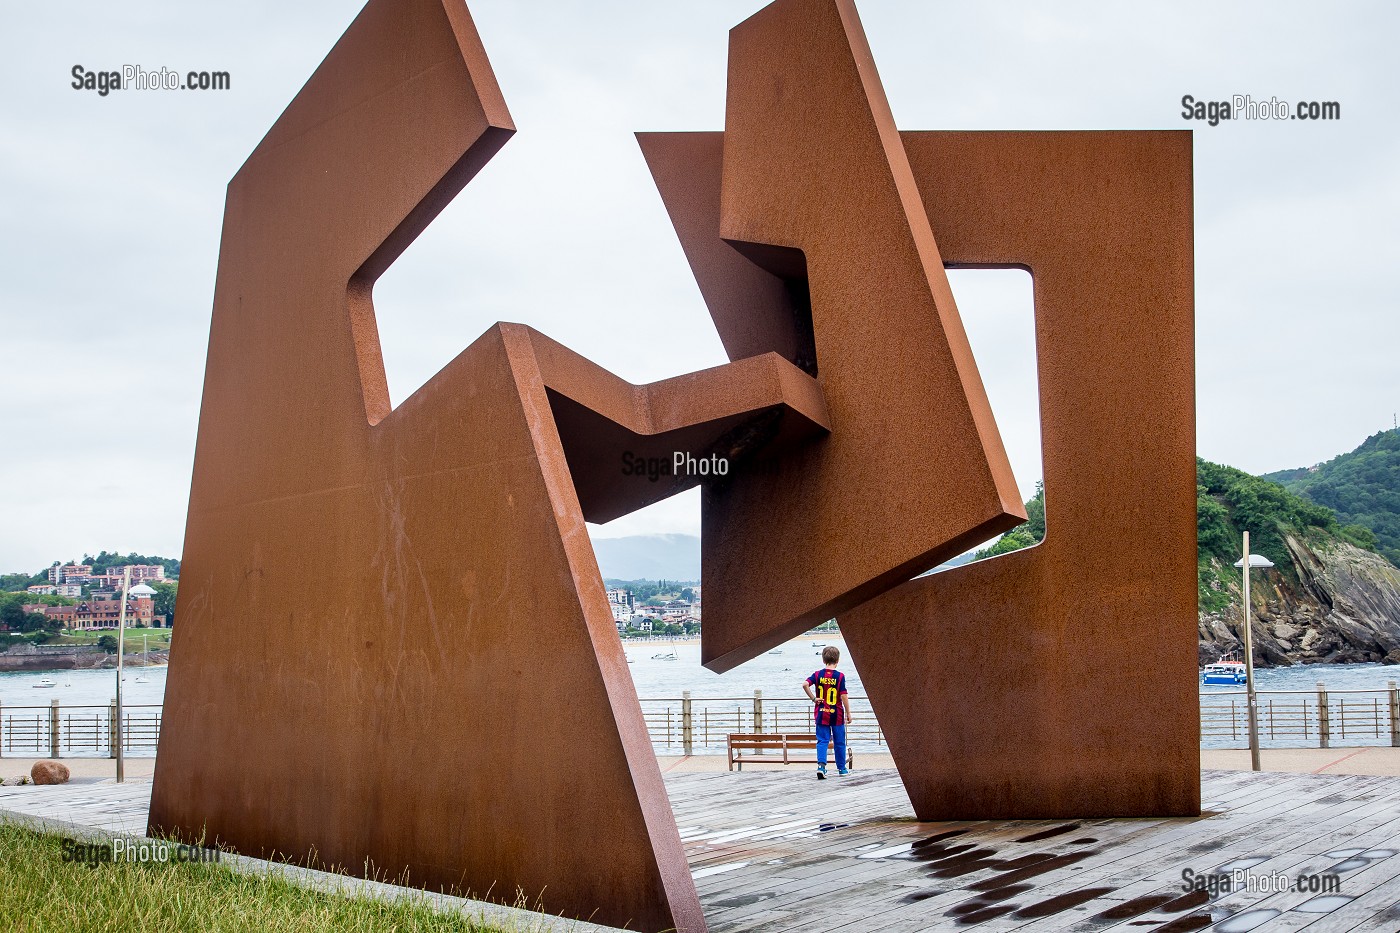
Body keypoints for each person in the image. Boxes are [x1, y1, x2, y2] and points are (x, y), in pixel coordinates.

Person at [803, 645, 852, 779]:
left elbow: (805, 684)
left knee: (822, 741)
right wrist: (849, 713)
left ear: (824, 660)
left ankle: (821, 767)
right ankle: (841, 769)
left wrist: (813, 698)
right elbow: (843, 695)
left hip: (821, 713)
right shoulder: (840, 676)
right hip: (837, 714)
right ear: (838, 660)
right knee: (839, 742)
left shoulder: (818, 674)